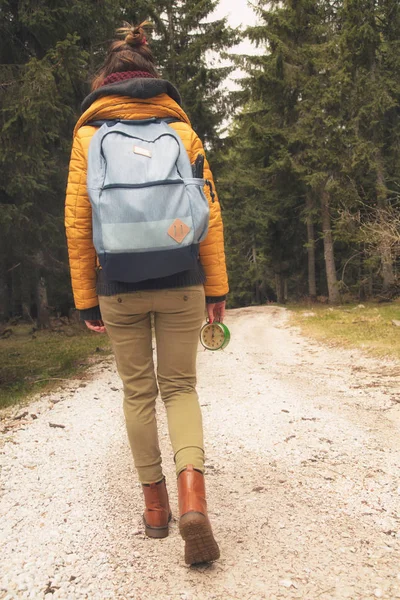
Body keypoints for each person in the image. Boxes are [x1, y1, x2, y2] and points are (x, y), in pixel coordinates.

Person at [64, 21, 228, 566]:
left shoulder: (89, 136)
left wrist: (87, 297)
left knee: (138, 394)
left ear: (104, 82)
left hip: (118, 282)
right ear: (152, 77)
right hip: (182, 276)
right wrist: (217, 288)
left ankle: (155, 510)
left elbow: (78, 221)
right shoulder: (180, 132)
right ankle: (193, 498)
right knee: (180, 388)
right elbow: (211, 213)